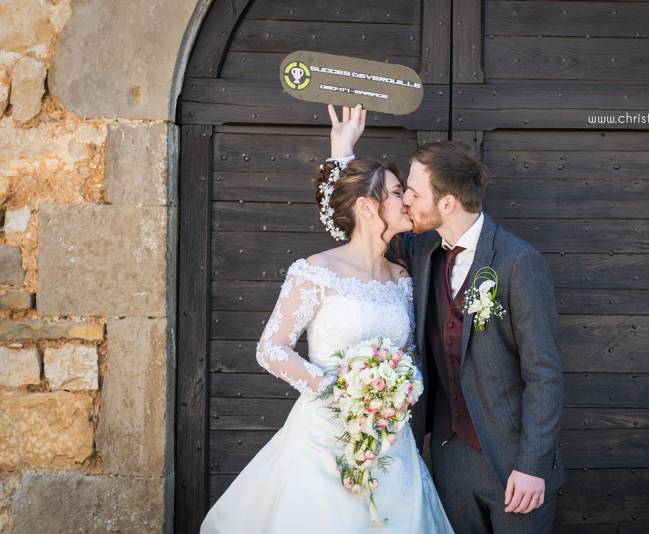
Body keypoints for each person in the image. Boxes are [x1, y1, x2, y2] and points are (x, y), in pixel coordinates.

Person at [199, 106, 455, 533]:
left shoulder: (403, 275)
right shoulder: (316, 271)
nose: (406, 199)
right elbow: (271, 348)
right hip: (324, 434)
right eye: (396, 193)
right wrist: (337, 390)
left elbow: (408, 354)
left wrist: (397, 391)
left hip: (389, 436)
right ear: (367, 207)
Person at [332, 104, 565, 534]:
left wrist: (533, 466)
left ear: (448, 202)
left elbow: (544, 374)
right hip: (446, 454)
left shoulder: (519, 262)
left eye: (413, 194)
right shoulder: (420, 253)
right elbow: (359, 229)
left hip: (515, 461)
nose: (405, 202)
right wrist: (343, 152)